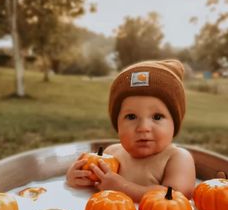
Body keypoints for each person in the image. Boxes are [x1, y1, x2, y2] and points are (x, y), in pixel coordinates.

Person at [66, 59, 196, 202]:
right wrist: (75, 179)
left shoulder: (177, 158)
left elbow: (176, 197)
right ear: (117, 122)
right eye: (131, 116)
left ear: (175, 123)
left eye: (157, 117)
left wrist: (122, 187)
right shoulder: (111, 154)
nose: (143, 128)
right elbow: (94, 188)